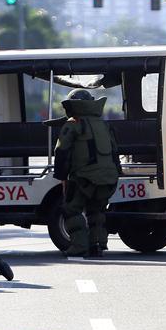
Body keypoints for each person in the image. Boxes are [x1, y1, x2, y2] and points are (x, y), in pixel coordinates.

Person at [53, 89, 122, 258]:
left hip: (83, 178)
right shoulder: (103, 124)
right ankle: (97, 245)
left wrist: (62, 176)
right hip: (108, 178)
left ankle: (79, 246)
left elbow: (61, 151)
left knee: (71, 210)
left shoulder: (73, 124)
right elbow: (115, 151)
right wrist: (117, 172)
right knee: (97, 211)